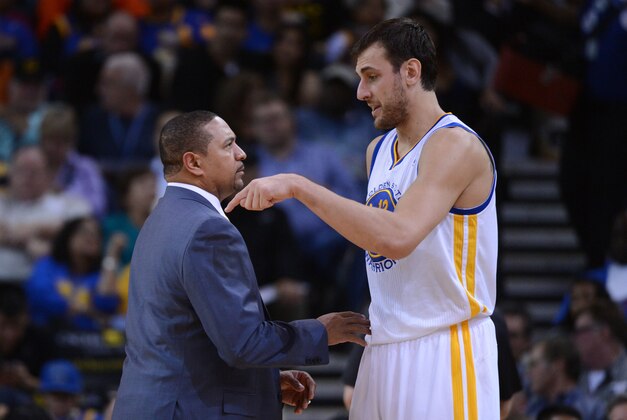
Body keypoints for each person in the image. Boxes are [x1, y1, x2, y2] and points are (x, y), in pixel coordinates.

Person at [227, 17, 499, 419]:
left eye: (371, 77)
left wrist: (299, 187)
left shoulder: (454, 144)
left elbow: (397, 236)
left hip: (444, 344)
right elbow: (372, 235)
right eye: (359, 78)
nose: (360, 92)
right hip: (384, 343)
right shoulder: (378, 150)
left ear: (411, 71)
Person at [112, 111, 370, 419]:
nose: (242, 153)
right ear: (194, 163)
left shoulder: (161, 218)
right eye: (228, 145)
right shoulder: (206, 230)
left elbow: (181, 335)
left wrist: (263, 382)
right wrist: (321, 332)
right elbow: (243, 343)